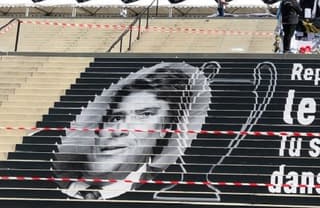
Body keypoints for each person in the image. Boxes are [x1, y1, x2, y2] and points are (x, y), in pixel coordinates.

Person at [52, 62, 211, 200]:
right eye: (116, 118)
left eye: (144, 116)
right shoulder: (61, 173)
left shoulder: (165, 184)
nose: (119, 129)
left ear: (165, 128)